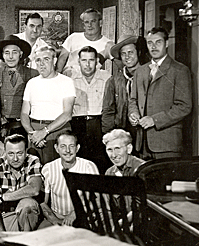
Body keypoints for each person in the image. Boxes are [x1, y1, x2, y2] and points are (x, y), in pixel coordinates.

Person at [128, 27, 192, 159]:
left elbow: (184, 106)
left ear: (166, 43)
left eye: (158, 42)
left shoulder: (179, 70)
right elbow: (133, 100)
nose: (154, 47)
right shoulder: (140, 71)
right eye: (150, 43)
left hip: (167, 144)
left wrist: (154, 120)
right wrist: (133, 113)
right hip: (142, 144)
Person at [21, 46, 75, 164]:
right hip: (34, 133)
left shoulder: (66, 82)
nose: (41, 64)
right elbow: (24, 114)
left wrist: (44, 132)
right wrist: (32, 133)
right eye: (38, 60)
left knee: (57, 173)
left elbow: (67, 115)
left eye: (46, 59)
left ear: (54, 60)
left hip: (58, 132)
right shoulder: (31, 83)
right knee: (35, 173)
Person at [40, 131, 99, 228]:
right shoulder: (48, 168)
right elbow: (43, 203)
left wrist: (75, 213)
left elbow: (97, 199)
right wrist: (55, 220)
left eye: (71, 146)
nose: (67, 150)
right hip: (56, 216)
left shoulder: (89, 167)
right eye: (63, 146)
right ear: (56, 148)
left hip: (83, 216)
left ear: (77, 148)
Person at [0, 134, 42, 232]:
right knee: (3, 243)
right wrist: (2, 234)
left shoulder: (33, 161)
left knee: (27, 204)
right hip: (6, 215)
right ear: (5, 152)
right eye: (11, 154)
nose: (15, 159)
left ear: (26, 152)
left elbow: (34, 189)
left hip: (28, 215)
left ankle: (26, 242)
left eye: (19, 153)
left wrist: (2, 197)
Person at [0, 35, 38, 139]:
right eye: (7, 53)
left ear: (21, 54)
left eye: (14, 52)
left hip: (27, 127)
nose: (10, 57)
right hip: (2, 128)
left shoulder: (33, 74)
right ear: (2, 55)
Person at [71, 46, 111, 172]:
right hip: (78, 125)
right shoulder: (71, 80)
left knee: (101, 163)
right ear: (78, 62)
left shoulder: (107, 78)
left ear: (97, 61)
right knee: (80, 164)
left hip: (99, 125)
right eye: (84, 60)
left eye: (91, 60)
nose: (87, 65)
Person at [102, 34, 146, 135]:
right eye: (123, 54)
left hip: (145, 133)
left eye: (130, 52)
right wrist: (109, 135)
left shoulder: (149, 76)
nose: (127, 57)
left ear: (138, 53)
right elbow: (108, 111)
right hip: (122, 133)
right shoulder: (113, 81)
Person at [57, 8, 114, 77]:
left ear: (100, 23)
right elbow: (62, 59)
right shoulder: (73, 37)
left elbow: (119, 64)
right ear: (83, 25)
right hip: (70, 79)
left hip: (91, 82)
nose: (89, 25)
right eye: (86, 22)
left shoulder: (107, 44)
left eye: (93, 21)